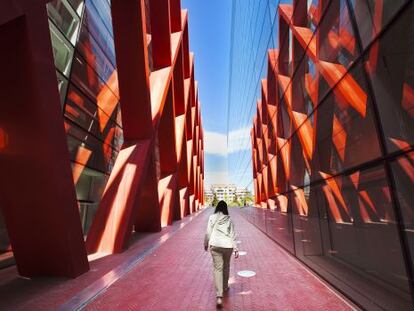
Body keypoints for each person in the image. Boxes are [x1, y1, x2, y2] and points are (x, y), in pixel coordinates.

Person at [204, 200, 239, 308]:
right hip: (228, 246)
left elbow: (208, 232)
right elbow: (233, 235)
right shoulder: (229, 219)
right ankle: (225, 286)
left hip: (215, 245)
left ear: (217, 208)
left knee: (217, 269)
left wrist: (206, 244)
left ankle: (219, 296)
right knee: (226, 266)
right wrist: (236, 249)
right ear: (225, 209)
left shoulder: (212, 217)